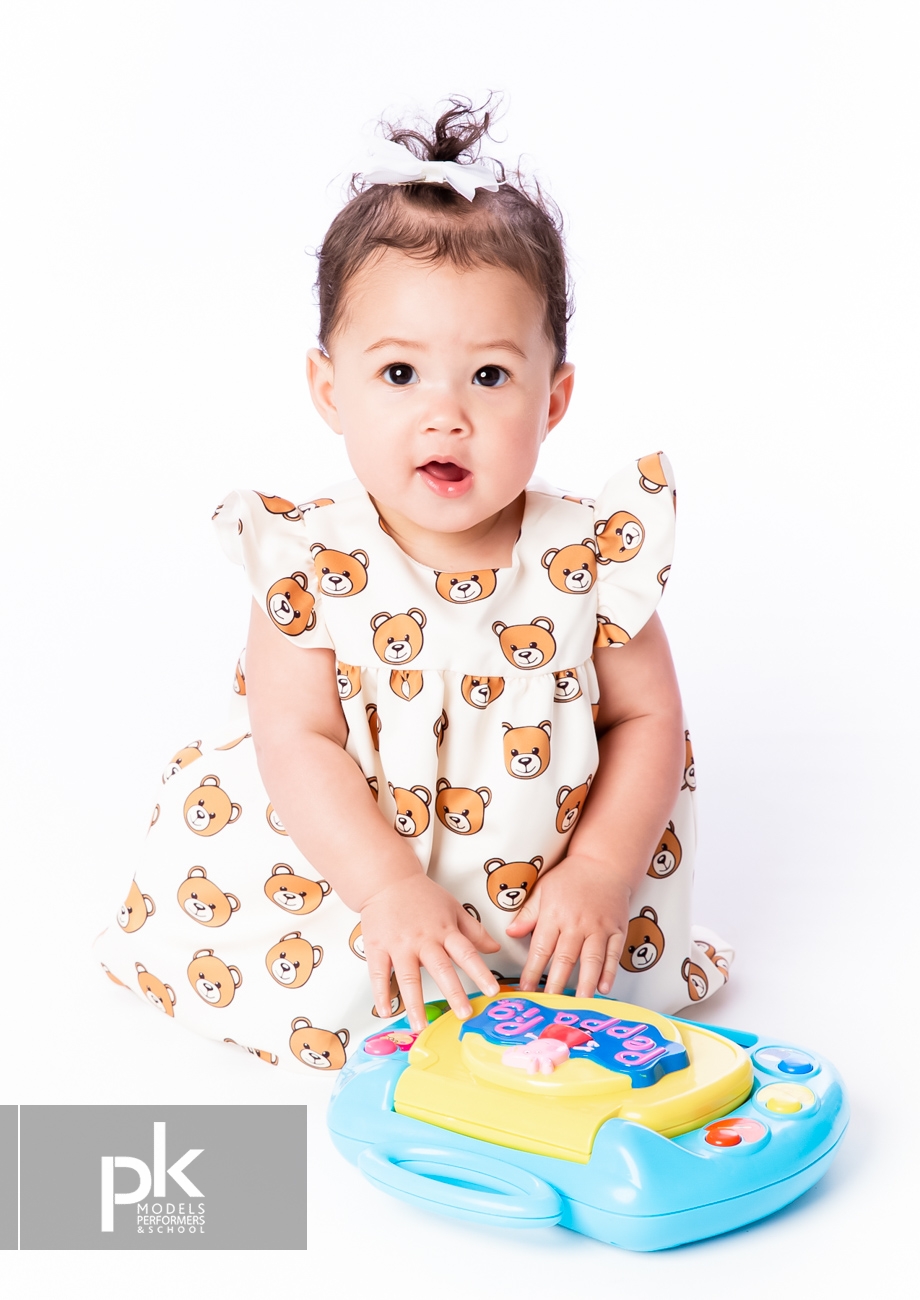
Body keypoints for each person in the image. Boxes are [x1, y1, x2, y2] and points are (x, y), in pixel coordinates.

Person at [94, 97, 732, 1074]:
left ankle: (537, 977)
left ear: (553, 398)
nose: (445, 415)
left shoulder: (591, 562)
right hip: (351, 882)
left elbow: (648, 719)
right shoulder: (310, 565)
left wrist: (603, 869)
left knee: (577, 1013)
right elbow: (295, 739)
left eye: (489, 377)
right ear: (330, 389)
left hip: (547, 900)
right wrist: (386, 887)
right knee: (339, 980)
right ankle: (389, 967)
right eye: (399, 374)